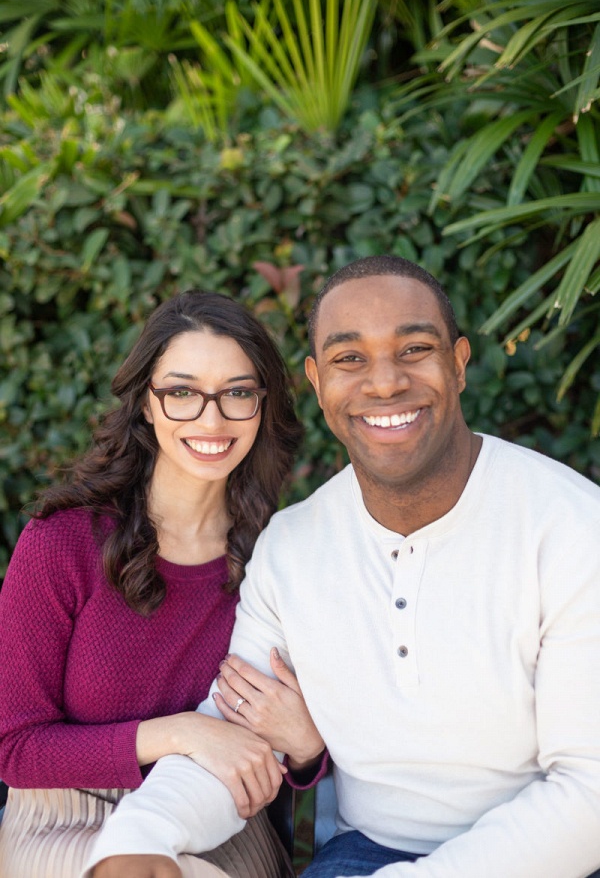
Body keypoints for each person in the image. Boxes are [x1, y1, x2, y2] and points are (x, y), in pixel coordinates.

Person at [85, 255, 600, 878]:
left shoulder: (571, 526)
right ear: (317, 380)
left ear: (459, 364)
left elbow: (588, 793)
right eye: (349, 358)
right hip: (364, 854)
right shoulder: (294, 547)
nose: (383, 383)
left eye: (413, 349)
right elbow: (235, 727)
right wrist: (140, 838)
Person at [0, 290, 325, 878]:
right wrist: (181, 734)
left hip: (221, 824)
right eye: (182, 392)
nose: (211, 418)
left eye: (237, 392)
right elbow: (15, 748)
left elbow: (303, 756)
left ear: (263, 404)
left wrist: (306, 749)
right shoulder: (63, 543)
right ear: (146, 404)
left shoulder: (281, 558)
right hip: (66, 817)